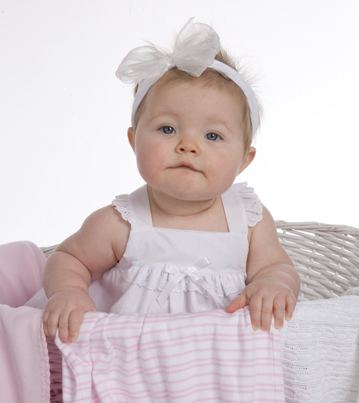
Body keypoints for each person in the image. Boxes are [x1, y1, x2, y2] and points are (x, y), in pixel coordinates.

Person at [26, 18, 300, 343]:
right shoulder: (123, 222)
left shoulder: (248, 220)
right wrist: (69, 291)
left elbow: (277, 267)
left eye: (213, 135)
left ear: (244, 161)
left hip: (221, 361)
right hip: (130, 360)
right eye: (167, 129)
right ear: (134, 141)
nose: (188, 145)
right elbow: (69, 258)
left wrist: (273, 285)